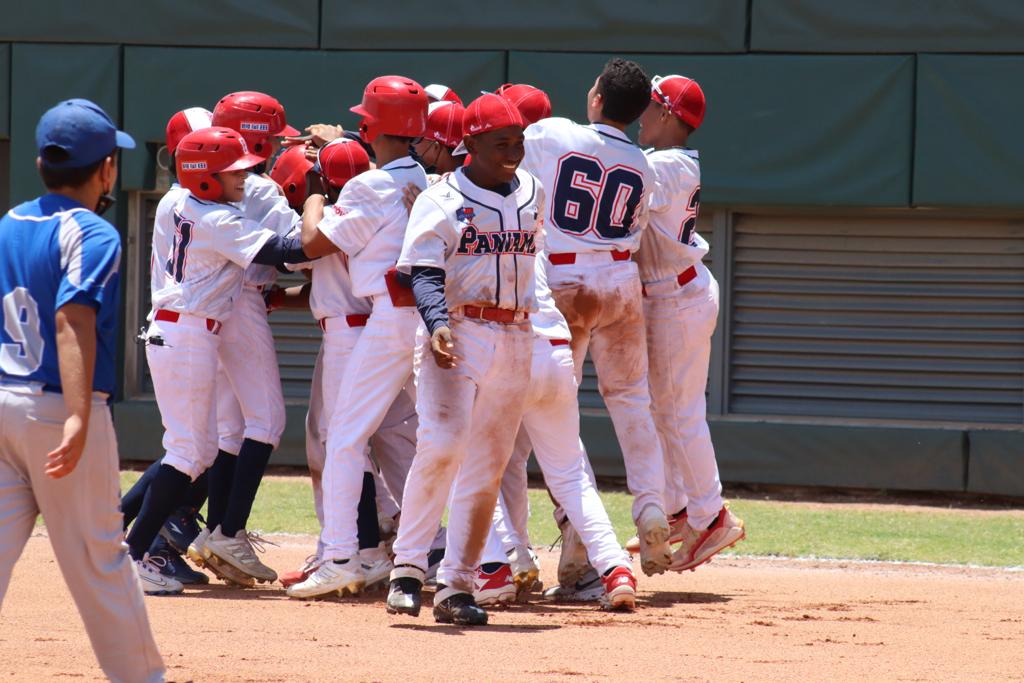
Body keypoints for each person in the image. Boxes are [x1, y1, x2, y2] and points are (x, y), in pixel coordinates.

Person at [0, 98, 164, 682]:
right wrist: (77, 417)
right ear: (106, 170)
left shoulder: (10, 222)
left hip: (2, 402)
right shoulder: (93, 232)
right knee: (100, 557)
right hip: (57, 409)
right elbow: (74, 321)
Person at [125, 126, 313, 594]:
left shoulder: (177, 201)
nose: (244, 178)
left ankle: (125, 545)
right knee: (189, 452)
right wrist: (318, 202)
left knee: (195, 450)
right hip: (186, 331)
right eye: (233, 172)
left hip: (184, 329)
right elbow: (290, 251)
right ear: (205, 177)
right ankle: (132, 555)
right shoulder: (215, 218)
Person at [385, 93, 544, 626]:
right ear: (469, 144)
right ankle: (407, 569)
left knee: (489, 464)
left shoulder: (532, 192)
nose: (513, 152)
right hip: (459, 329)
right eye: (501, 143)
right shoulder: (441, 198)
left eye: (518, 142)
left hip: (516, 334)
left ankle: (457, 586)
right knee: (443, 444)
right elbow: (424, 273)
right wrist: (438, 325)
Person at [519, 58, 672, 578]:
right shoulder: (647, 165)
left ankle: (579, 540)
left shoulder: (554, 133)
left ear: (599, 99)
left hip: (564, 281)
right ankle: (651, 508)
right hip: (620, 281)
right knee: (632, 400)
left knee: (560, 411)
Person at [287, 75, 428, 599]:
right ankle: (488, 559)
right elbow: (380, 180)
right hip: (427, 315)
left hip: (391, 317)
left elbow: (311, 242)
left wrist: (317, 194)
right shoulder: (422, 174)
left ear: (370, 126)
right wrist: (343, 143)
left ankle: (342, 555)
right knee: (443, 437)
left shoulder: (370, 183)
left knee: (344, 438)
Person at [629, 74, 745, 569]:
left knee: (679, 416)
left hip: (678, 295)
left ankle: (712, 515)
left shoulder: (668, 165)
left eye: (651, 107)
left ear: (670, 116)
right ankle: (680, 508)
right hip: (670, 293)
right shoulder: (667, 163)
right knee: (664, 414)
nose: (641, 115)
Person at [190, 91, 302, 587]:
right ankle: (227, 532)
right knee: (267, 421)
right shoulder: (259, 190)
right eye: (274, 139)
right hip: (243, 300)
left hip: (212, 305)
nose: (278, 148)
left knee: (228, 431)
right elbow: (299, 253)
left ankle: (215, 529)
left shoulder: (190, 190)